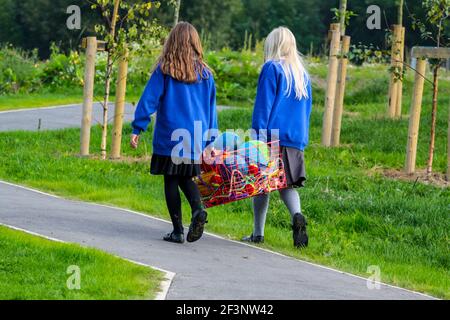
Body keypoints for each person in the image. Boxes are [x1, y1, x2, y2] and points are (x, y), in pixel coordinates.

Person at [131, 22, 217, 244]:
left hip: (170, 135)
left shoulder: (165, 69)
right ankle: (198, 209)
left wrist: (138, 127)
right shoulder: (206, 75)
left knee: (171, 178)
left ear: (172, 42)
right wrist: (210, 141)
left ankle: (178, 231)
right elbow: (211, 110)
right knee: (186, 176)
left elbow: (149, 99)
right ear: (195, 44)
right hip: (194, 137)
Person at [242, 27, 312, 248]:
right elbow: (307, 110)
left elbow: (263, 106)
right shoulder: (302, 74)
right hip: (295, 139)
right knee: (286, 185)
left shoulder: (272, 68)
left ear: (272, 45)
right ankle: (297, 215)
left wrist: (257, 137)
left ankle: (258, 233)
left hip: (271, 137)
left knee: (261, 185)